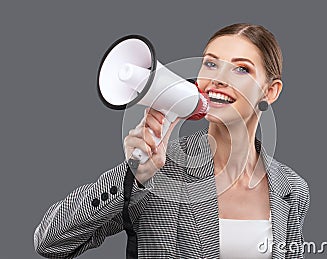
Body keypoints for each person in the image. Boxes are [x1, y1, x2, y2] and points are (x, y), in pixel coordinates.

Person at [34, 23, 310, 259]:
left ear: (270, 91)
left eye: (241, 69)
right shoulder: (159, 171)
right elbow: (50, 243)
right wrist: (134, 175)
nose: (218, 79)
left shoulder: (292, 189)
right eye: (211, 64)